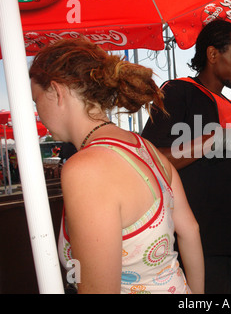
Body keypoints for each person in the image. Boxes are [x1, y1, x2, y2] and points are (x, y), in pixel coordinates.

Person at [29, 38, 204, 294]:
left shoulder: (86, 169)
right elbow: (190, 231)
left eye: (36, 101)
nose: (38, 113)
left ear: (56, 91)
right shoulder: (146, 149)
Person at [141, 19, 231, 294]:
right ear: (212, 54)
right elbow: (148, 159)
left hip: (229, 238)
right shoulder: (177, 92)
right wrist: (212, 140)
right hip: (194, 241)